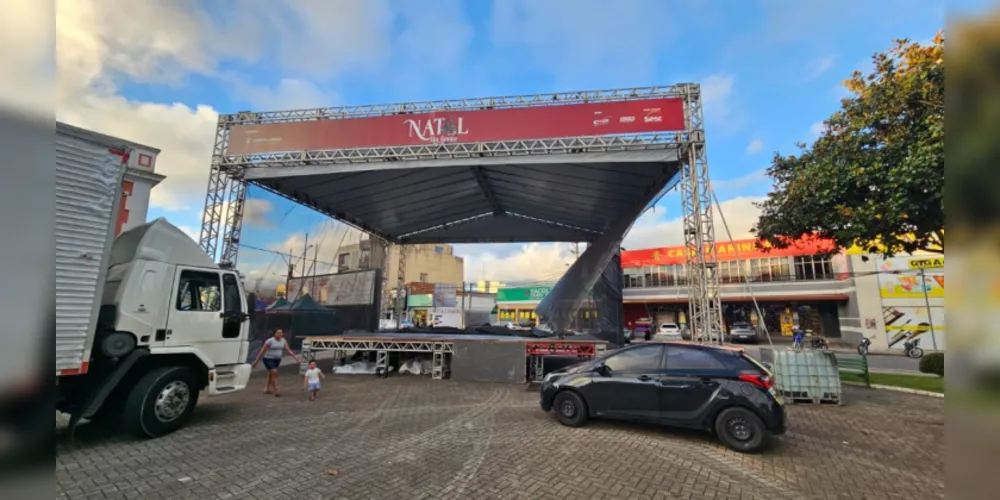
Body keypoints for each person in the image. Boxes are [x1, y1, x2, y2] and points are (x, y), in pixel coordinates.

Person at [252, 329, 300, 397]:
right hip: (268, 359)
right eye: (278, 332)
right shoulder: (270, 341)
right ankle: (276, 389)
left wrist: (295, 357)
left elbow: (288, 350)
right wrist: (256, 362)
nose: (280, 334)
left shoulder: (283, 340)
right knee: (274, 372)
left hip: (277, 360)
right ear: (275, 334)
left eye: (281, 332)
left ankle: (266, 389)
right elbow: (262, 351)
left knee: (271, 373)